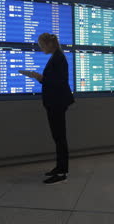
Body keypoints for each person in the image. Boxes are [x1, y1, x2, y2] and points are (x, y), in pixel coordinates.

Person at [20, 33, 74, 185]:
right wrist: (40, 78)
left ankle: (62, 171)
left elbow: (60, 82)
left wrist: (40, 78)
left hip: (57, 103)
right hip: (54, 103)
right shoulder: (55, 57)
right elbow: (54, 81)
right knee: (57, 137)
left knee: (60, 138)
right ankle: (59, 167)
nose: (41, 48)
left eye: (42, 45)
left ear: (50, 44)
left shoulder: (59, 58)